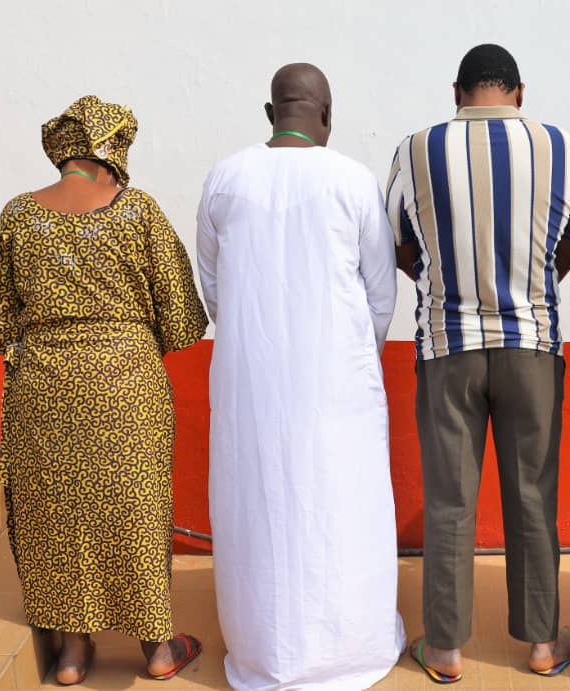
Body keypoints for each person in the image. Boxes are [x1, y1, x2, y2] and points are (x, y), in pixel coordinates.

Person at [0, 95, 208, 685]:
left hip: (43, 386)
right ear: (111, 153)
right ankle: (158, 648)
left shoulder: (18, 214)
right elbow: (183, 318)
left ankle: (73, 654)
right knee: (136, 507)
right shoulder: (139, 211)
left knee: (56, 512)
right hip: (127, 384)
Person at [198, 64, 404, 690]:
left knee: (255, 503)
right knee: (338, 503)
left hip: (249, 383)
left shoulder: (225, 178)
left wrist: (253, 342)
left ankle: (263, 650)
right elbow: (380, 292)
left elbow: (215, 289)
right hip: (336, 385)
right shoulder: (352, 180)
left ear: (271, 113)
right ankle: (350, 647)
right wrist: (352, 356)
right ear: (328, 114)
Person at [385, 43, 570, 683]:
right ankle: (543, 645)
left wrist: (442, 284)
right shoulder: (559, 146)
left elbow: (398, 242)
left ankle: (445, 651)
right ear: (519, 93)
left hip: (448, 347)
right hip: (533, 345)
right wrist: (533, 288)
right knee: (533, 496)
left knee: (450, 501)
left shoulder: (416, 148)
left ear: (456, 92)